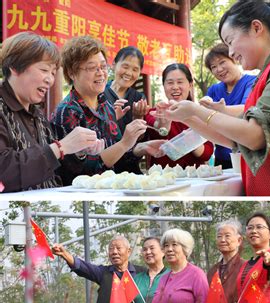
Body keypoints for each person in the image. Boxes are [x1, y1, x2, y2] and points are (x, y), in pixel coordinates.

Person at [161, 0, 270, 196]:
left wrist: (197, 110)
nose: (231, 52)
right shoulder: (267, 73)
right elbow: (234, 139)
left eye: (230, 42)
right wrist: (186, 116)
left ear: (256, 28)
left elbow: (255, 136)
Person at [51, 36, 160, 185]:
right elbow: (80, 172)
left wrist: (141, 147)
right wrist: (124, 143)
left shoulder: (106, 105)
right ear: (72, 72)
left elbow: (119, 157)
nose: (101, 73)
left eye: (103, 66)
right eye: (91, 68)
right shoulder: (67, 112)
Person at [0, 32, 100, 192]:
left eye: (53, 73)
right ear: (15, 68)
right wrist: (60, 147)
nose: (50, 79)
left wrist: (78, 150)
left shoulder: (37, 115)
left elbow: (57, 171)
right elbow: (4, 172)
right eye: (44, 70)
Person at [144, 63, 214, 169]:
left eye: (180, 82)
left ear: (190, 85)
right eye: (170, 83)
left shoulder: (199, 113)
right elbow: (159, 127)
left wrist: (191, 142)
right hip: (163, 180)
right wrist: (163, 124)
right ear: (164, 86)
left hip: (194, 178)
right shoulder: (154, 112)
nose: (175, 87)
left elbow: (207, 153)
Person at [200, 43, 256, 169]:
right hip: (222, 157)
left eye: (222, 62)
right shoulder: (214, 90)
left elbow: (247, 109)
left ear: (234, 59)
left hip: (248, 155)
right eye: (213, 67)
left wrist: (222, 110)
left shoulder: (252, 81)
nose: (219, 69)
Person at [104, 46, 148, 173]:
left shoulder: (139, 98)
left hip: (130, 168)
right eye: (125, 66)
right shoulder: (100, 93)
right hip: (103, 166)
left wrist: (138, 118)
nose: (129, 73)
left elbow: (140, 139)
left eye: (135, 69)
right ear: (113, 65)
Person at [206, 220, 245, 303]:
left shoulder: (246, 268)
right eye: (219, 236)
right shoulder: (212, 271)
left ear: (239, 240)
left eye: (227, 236)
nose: (222, 240)